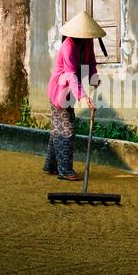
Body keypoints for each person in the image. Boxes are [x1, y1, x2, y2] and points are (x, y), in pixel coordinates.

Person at [43, 11, 105, 181]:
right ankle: (65, 171)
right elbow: (70, 75)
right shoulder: (68, 47)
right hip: (60, 89)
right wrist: (83, 96)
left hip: (71, 90)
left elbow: (91, 62)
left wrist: (94, 78)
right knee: (66, 129)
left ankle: (51, 165)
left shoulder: (87, 42)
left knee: (59, 127)